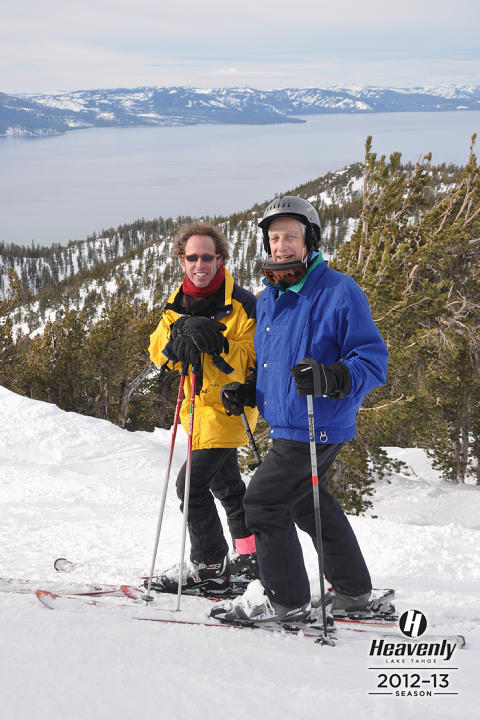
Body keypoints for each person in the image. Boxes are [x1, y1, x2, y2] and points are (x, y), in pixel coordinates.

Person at [218, 196, 388, 623]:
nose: (281, 246)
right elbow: (272, 363)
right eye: (274, 238)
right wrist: (250, 390)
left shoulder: (338, 291)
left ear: (310, 240)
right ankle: (353, 589)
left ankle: (286, 599)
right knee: (308, 504)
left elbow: (372, 361)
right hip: (288, 424)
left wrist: (331, 377)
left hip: (318, 423)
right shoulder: (269, 298)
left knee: (262, 504)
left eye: (291, 237)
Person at [148, 221, 259, 593]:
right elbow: (157, 351)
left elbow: (256, 358)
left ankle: (210, 565)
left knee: (191, 486)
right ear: (182, 260)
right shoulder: (177, 302)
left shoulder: (242, 303)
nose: (200, 265)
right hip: (196, 411)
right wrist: (174, 345)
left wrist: (220, 345)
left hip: (228, 409)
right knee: (228, 487)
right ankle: (251, 558)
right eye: (192, 257)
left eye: (207, 257)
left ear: (220, 259)